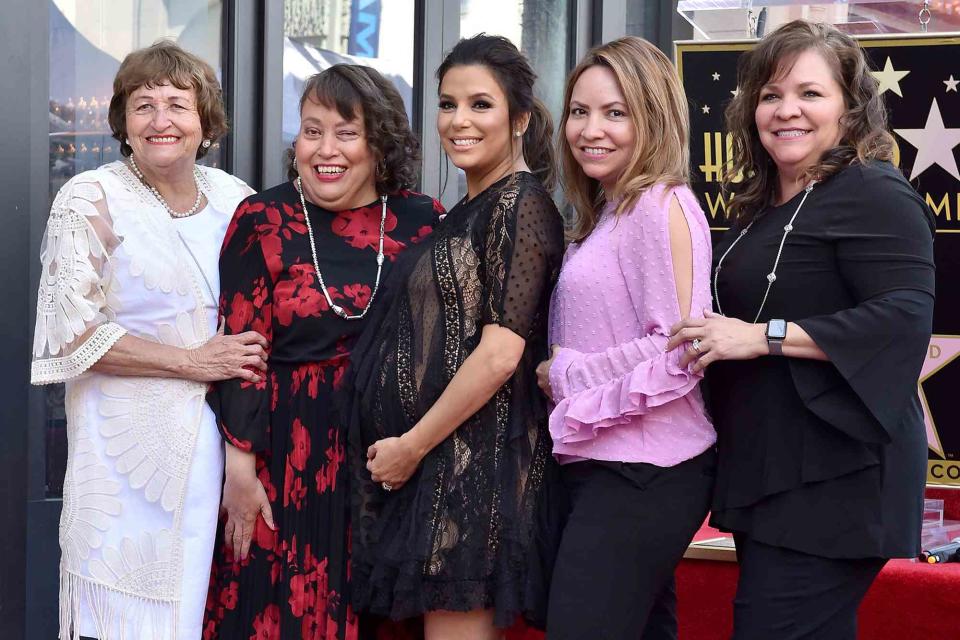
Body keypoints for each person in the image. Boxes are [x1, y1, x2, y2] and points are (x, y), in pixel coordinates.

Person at [667, 20, 935, 639]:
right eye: (770, 94)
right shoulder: (768, 206)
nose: (787, 110)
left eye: (810, 94)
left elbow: (903, 320)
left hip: (837, 480)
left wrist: (761, 336)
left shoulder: (873, 190)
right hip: (775, 473)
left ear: (850, 107)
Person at [201, 65, 441, 640]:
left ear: (379, 142)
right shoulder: (262, 218)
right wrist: (239, 470)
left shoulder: (424, 220)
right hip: (284, 457)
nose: (325, 150)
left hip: (390, 460)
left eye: (345, 132)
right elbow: (241, 352)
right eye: (312, 131)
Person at [30, 41, 259, 639]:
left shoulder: (238, 201)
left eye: (177, 104)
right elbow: (70, 334)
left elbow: (261, 327)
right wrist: (190, 361)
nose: (161, 121)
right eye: (143, 105)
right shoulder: (90, 197)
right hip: (119, 456)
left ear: (205, 119)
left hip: (215, 452)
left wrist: (246, 457)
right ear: (123, 122)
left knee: (198, 614)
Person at [341, 34, 565, 639]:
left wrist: (411, 445)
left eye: (479, 105)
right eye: (447, 104)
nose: (458, 120)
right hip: (443, 473)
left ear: (519, 119)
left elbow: (500, 353)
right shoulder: (468, 206)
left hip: (477, 479)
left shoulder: (520, 204)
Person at [533, 37, 717, 640]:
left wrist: (565, 376)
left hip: (645, 471)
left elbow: (682, 349)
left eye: (616, 113)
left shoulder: (659, 203)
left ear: (653, 116)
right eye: (580, 112)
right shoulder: (606, 213)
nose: (592, 129)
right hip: (606, 466)